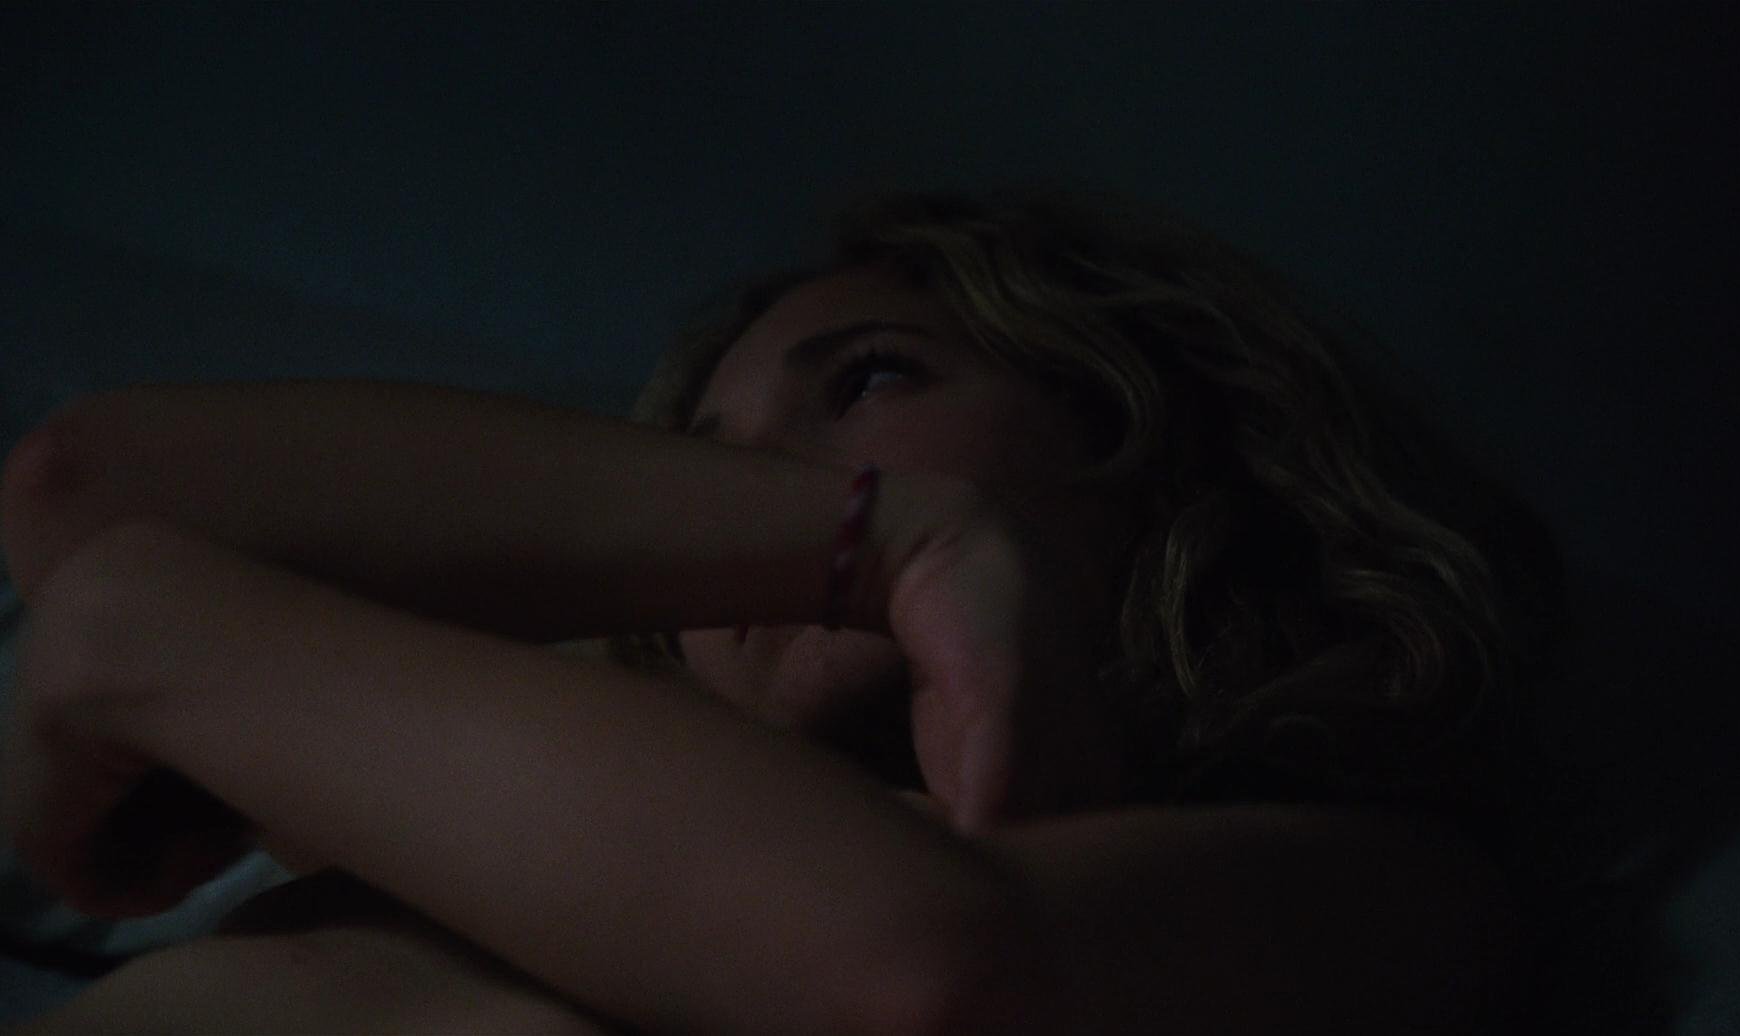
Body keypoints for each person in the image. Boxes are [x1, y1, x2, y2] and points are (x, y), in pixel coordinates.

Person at [0, 187, 1564, 1033]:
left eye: (870, 381)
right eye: (700, 466)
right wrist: (889, 539)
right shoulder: (507, 766)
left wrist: (144, 631)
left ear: (1139, 442)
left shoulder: (1385, 880)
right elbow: (84, 495)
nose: (745, 496)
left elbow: (913, 970)